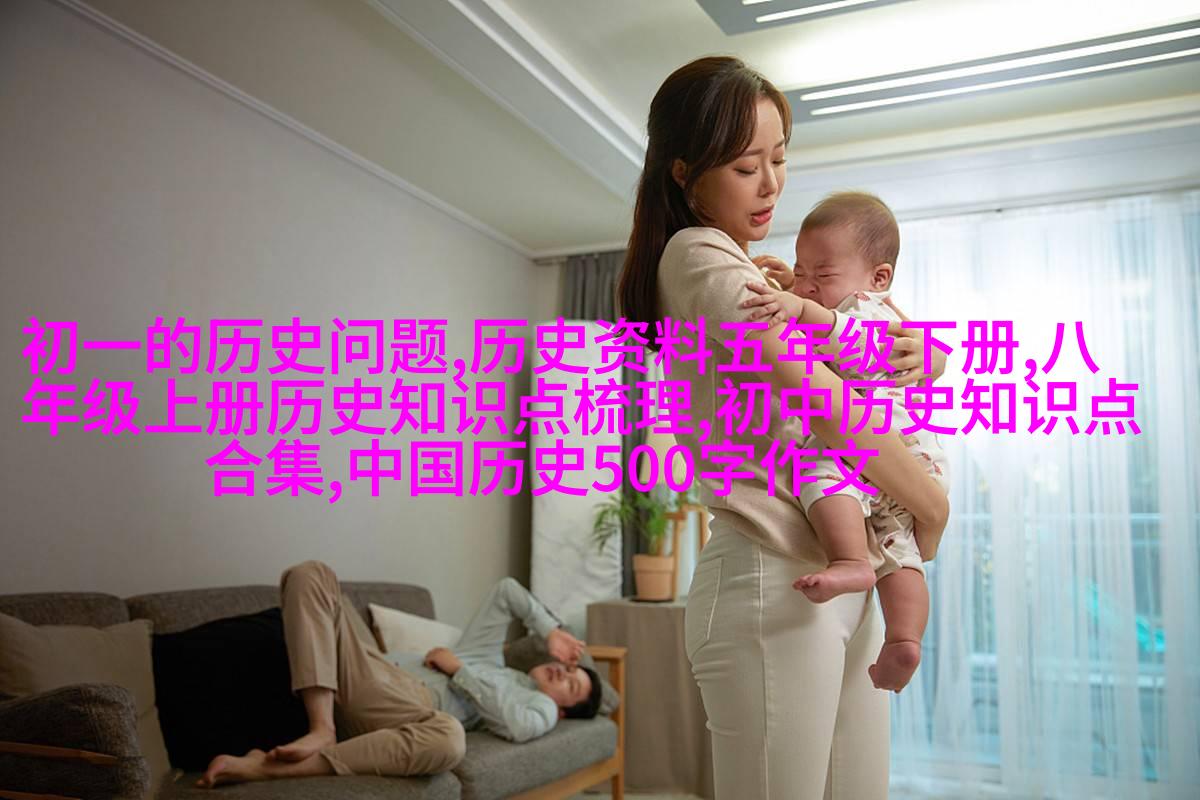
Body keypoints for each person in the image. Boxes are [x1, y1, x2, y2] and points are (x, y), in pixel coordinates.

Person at [616, 56, 950, 799]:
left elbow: (865, 353)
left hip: (838, 570)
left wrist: (922, 353)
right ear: (685, 174)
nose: (770, 184)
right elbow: (824, 399)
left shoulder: (756, 273)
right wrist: (930, 504)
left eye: (779, 158)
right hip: (773, 573)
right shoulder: (697, 253)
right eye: (746, 166)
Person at [739, 190, 951, 693]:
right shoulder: (854, 302)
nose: (808, 285)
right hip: (898, 461)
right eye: (801, 270)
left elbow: (842, 336)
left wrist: (797, 305)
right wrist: (794, 286)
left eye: (823, 274)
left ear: (878, 278)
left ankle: (852, 561)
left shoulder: (872, 312)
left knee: (815, 467)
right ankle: (905, 638)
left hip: (890, 447)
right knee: (900, 551)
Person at [197, 561, 601, 788]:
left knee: (450, 739)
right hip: (370, 670)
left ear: (564, 710)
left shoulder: (541, 708)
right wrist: (550, 630)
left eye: (571, 683)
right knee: (310, 574)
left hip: (407, 706)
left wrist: (458, 669)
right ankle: (321, 727)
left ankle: (269, 768)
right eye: (569, 668)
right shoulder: (489, 656)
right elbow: (507, 590)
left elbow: (518, 725)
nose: (562, 672)